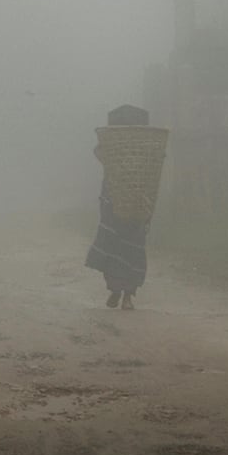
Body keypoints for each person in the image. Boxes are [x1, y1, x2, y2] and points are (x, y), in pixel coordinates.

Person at [85, 104, 152, 309]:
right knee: (130, 247)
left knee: (116, 245)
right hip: (132, 204)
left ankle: (120, 293)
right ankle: (123, 295)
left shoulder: (113, 152)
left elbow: (97, 151)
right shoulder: (145, 153)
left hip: (119, 204)